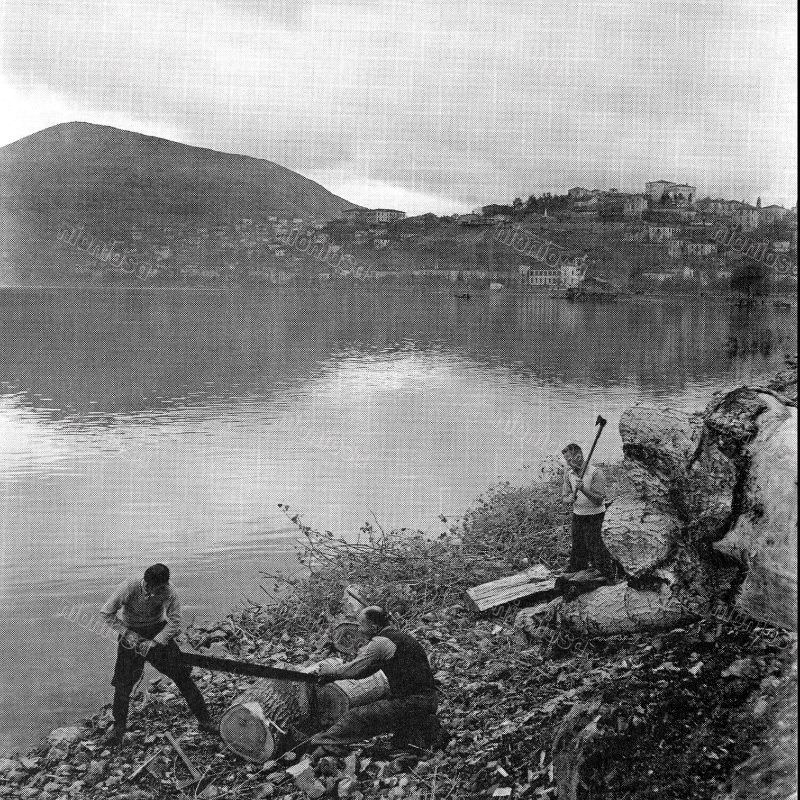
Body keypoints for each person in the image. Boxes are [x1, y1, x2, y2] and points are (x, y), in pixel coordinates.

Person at [307, 606, 443, 761]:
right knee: (398, 737)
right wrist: (333, 678)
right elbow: (365, 672)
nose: (359, 628)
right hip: (426, 700)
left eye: (361, 624)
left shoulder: (381, 642)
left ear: (374, 626)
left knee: (356, 717)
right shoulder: (399, 637)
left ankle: (316, 743)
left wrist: (330, 670)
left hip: (412, 702)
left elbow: (355, 670)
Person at [100, 564, 215, 746]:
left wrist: (156, 641)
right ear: (146, 582)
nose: (154, 593)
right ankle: (118, 728)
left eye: (160, 589)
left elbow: (175, 620)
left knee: (182, 677)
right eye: (151, 588)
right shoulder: (129, 587)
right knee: (123, 685)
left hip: (157, 631)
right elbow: (106, 613)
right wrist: (129, 635)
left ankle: (205, 720)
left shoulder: (169, 591)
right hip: (131, 634)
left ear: (165, 584)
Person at [561, 442, 615, 578]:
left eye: (569, 459)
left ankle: (605, 574)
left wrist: (583, 489)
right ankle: (578, 569)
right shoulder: (569, 474)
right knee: (578, 545)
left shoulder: (596, 473)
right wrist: (569, 499)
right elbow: (564, 497)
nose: (567, 463)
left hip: (595, 516)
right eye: (566, 460)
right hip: (578, 515)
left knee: (596, 545)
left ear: (579, 457)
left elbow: (599, 500)